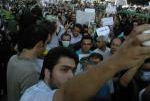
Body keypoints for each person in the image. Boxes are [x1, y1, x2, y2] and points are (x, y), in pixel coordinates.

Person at [20, 24, 150, 101]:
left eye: (72, 70)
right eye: (64, 70)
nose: (71, 76)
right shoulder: (33, 95)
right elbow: (66, 94)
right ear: (47, 72)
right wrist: (117, 61)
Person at [7, 24, 49, 101]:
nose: (46, 47)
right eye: (46, 43)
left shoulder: (13, 58)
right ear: (40, 44)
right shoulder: (31, 72)